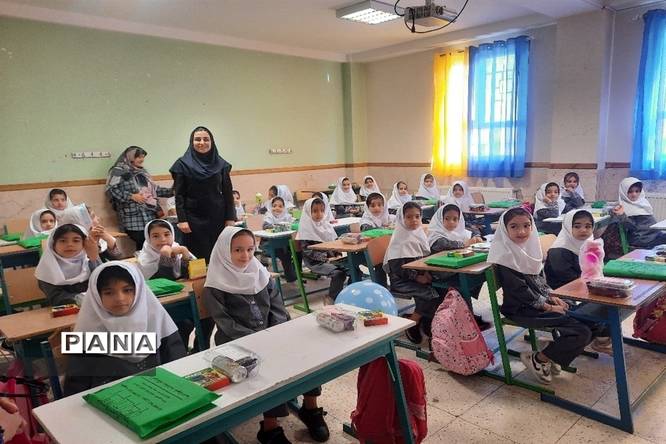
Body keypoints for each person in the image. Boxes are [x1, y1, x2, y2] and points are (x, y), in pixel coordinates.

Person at [203, 227, 329, 444]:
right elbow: (225, 323)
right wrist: (257, 340)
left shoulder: (260, 273)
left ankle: (310, 408)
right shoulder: (215, 284)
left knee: (306, 354)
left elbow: (278, 308)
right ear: (224, 251)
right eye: (237, 250)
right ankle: (270, 428)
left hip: (272, 333)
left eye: (250, 249)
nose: (245, 255)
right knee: (266, 366)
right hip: (235, 342)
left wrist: (274, 332)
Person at [488, 208, 611, 384]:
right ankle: (539, 358)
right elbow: (520, 292)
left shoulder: (529, 249)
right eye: (514, 227)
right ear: (504, 229)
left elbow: (540, 281)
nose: (522, 231)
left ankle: (553, 351)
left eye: (526, 226)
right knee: (581, 331)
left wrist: (552, 296)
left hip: (539, 303)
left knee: (591, 320)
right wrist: (548, 306)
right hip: (522, 309)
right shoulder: (505, 256)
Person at [63, 261, 186, 395]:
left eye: (127, 290)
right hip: (109, 399)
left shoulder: (157, 320)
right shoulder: (86, 331)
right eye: (109, 293)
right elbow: (76, 387)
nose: (119, 298)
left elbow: (177, 365)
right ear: (96, 295)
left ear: (138, 291)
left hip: (160, 393)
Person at [170, 126, 236, 262]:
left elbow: (228, 193)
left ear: (212, 142)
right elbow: (179, 195)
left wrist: (230, 218)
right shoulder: (182, 164)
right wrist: (182, 220)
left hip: (217, 216)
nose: (202, 142)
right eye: (197, 139)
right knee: (197, 255)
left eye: (206, 139)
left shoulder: (221, 165)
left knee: (219, 254)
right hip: (193, 218)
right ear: (191, 142)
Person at [384, 202, 444, 343]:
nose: (414, 220)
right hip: (401, 281)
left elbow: (424, 259)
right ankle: (414, 322)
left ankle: (426, 321)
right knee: (429, 294)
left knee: (441, 289)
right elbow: (398, 268)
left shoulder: (419, 234)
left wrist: (427, 273)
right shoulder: (399, 239)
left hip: (418, 276)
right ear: (401, 218)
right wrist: (417, 277)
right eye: (409, 217)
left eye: (417, 216)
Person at [427, 204, 489, 329]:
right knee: (468, 280)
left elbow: (472, 229)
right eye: (447, 218)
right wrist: (465, 243)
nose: (451, 222)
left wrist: (476, 236)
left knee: (481, 274)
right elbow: (445, 244)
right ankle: (468, 319)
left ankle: (465, 314)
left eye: (455, 219)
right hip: (441, 273)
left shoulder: (458, 232)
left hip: (456, 269)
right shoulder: (436, 234)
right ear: (440, 218)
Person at [106, 146, 174, 248]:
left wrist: (172, 191)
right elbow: (111, 190)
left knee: (151, 243)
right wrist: (131, 196)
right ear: (130, 157)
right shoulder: (118, 171)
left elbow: (153, 190)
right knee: (142, 242)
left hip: (149, 215)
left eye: (143, 157)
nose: (142, 160)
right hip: (132, 217)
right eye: (138, 157)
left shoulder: (142, 172)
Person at [296, 198, 347, 305]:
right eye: (315, 211)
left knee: (352, 268)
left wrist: (337, 254)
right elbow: (308, 251)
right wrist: (325, 258)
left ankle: (348, 296)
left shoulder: (326, 225)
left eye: (322, 210)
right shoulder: (305, 228)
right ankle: (331, 299)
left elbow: (334, 243)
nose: (319, 214)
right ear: (308, 212)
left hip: (331, 260)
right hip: (315, 263)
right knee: (338, 274)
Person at [35, 224, 102, 306]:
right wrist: (81, 299)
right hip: (66, 310)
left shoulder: (89, 261)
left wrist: (94, 257)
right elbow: (56, 298)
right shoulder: (46, 269)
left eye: (76, 241)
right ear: (53, 245)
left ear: (84, 243)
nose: (70, 244)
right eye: (63, 241)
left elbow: (105, 283)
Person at [544, 209, 594, 289]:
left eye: (588, 226)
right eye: (577, 226)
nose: (583, 230)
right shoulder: (558, 251)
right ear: (568, 227)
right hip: (563, 291)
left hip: (584, 285)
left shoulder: (589, 243)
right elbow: (570, 280)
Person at [611, 177, 666, 248]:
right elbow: (631, 226)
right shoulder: (623, 207)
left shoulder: (642, 202)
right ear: (624, 192)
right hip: (642, 238)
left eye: (637, 191)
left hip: (653, 234)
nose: (634, 194)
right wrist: (622, 215)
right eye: (630, 192)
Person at [262, 197, 297, 282]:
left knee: (296, 251)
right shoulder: (269, 215)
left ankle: (295, 274)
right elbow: (265, 226)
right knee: (286, 255)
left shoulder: (287, 216)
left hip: (285, 244)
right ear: (271, 207)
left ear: (284, 208)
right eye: (274, 206)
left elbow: (294, 223)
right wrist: (278, 226)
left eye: (280, 206)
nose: (277, 208)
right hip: (269, 244)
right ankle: (291, 276)